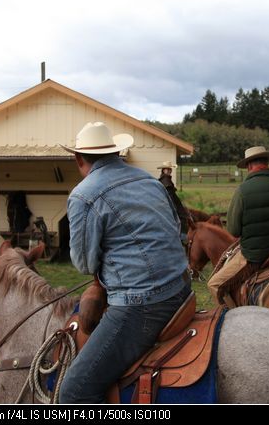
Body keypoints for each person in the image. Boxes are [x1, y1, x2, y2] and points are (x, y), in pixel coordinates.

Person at [59, 122, 192, 403]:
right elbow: (176, 227)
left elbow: (83, 263)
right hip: (182, 288)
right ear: (116, 151)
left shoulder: (83, 195)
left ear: (78, 158)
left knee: (74, 392)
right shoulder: (148, 181)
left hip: (142, 304)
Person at [207, 146, 269, 306]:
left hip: (255, 254)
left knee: (214, 284)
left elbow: (233, 230)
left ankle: (232, 318)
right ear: (267, 162)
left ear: (249, 166)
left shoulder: (242, 191)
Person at [156, 161, 191, 244]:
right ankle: (182, 239)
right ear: (163, 170)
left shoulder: (164, 179)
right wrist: (175, 209)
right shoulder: (166, 181)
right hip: (170, 206)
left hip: (168, 204)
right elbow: (170, 197)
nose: (168, 171)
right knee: (182, 218)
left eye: (169, 169)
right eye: (166, 169)